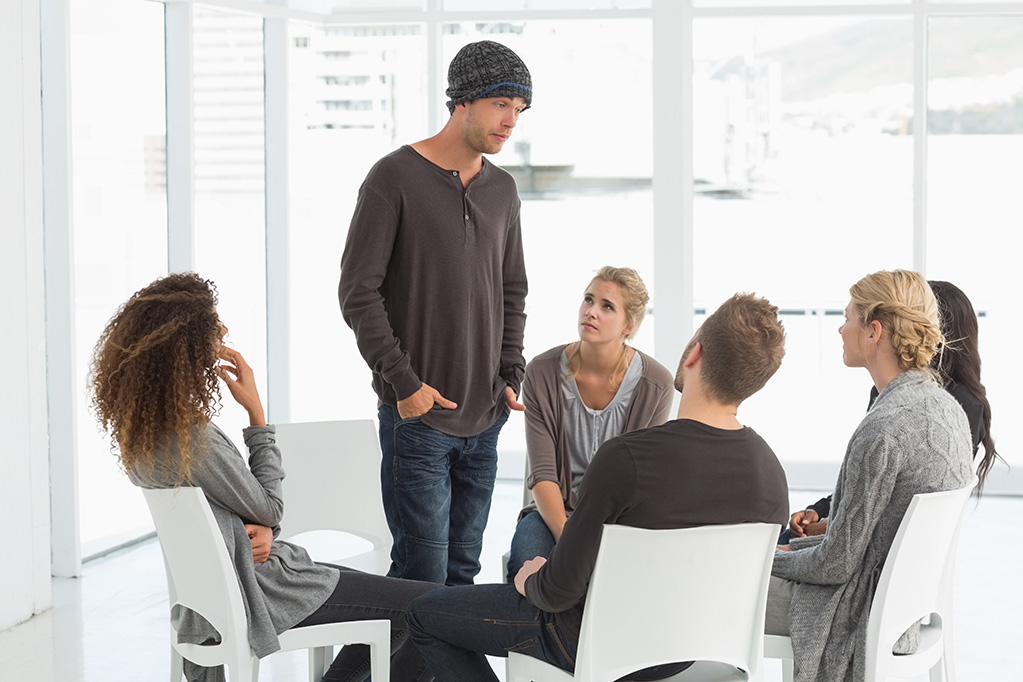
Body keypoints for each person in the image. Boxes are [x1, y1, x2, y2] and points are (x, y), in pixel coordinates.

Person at [404, 293, 790, 681]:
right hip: (683, 654)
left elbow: (558, 593)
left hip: (591, 642)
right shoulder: (771, 476)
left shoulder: (626, 458)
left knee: (423, 614)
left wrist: (532, 577)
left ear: (694, 353)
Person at [90, 273, 441, 682]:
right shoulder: (192, 438)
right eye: (212, 323)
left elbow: (242, 519)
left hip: (231, 590)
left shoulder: (146, 436)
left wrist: (254, 530)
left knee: (400, 598)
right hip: (265, 588)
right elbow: (269, 508)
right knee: (431, 605)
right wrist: (257, 414)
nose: (223, 330)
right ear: (183, 344)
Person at [338, 39, 531, 587]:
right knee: (421, 576)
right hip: (417, 417)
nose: (510, 121)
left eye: (519, 110)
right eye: (501, 104)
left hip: (487, 417)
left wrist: (509, 374)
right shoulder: (393, 178)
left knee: (460, 574)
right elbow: (358, 291)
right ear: (462, 101)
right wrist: (405, 384)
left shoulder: (503, 190)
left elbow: (512, 289)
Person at [766, 269, 973, 682]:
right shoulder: (946, 408)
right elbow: (870, 536)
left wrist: (765, 560)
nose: (840, 330)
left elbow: (837, 565)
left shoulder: (884, 427)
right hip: (906, 609)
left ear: (874, 331)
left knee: (718, 586)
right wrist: (796, 549)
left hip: (860, 609)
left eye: (847, 319)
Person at [785, 279, 1000, 541]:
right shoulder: (893, 395)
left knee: (776, 549)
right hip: (867, 542)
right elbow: (868, 483)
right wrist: (817, 512)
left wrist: (823, 530)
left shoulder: (951, 409)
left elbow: (891, 514)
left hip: (879, 550)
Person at [507, 266, 673, 582]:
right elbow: (542, 474)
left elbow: (641, 483)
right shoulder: (542, 373)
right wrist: (570, 539)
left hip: (619, 523)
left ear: (629, 325)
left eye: (606, 306)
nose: (591, 312)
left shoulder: (656, 384)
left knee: (619, 581)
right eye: (588, 300)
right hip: (552, 514)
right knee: (525, 566)